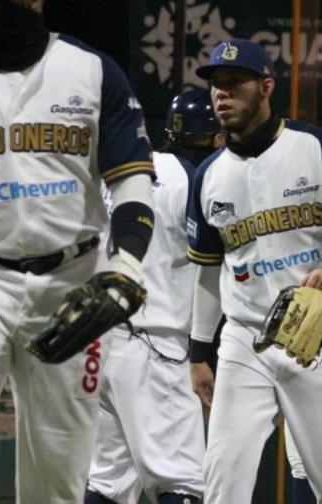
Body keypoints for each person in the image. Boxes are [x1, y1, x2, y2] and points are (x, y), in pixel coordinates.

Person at [186, 38, 322, 503]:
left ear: (266, 86)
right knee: (222, 478)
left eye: (234, 83)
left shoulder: (316, 147)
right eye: (216, 85)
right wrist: (198, 353)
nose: (222, 93)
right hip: (245, 340)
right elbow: (206, 274)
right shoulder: (209, 175)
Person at [0, 0, 155, 501]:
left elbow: (133, 180)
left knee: (57, 477)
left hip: (73, 281)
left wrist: (128, 261)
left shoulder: (92, 69)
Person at [84, 89, 223, 504]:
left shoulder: (129, 172)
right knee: (182, 482)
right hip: (156, 344)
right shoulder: (200, 182)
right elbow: (215, 267)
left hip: (101, 341)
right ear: (217, 139)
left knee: (108, 480)